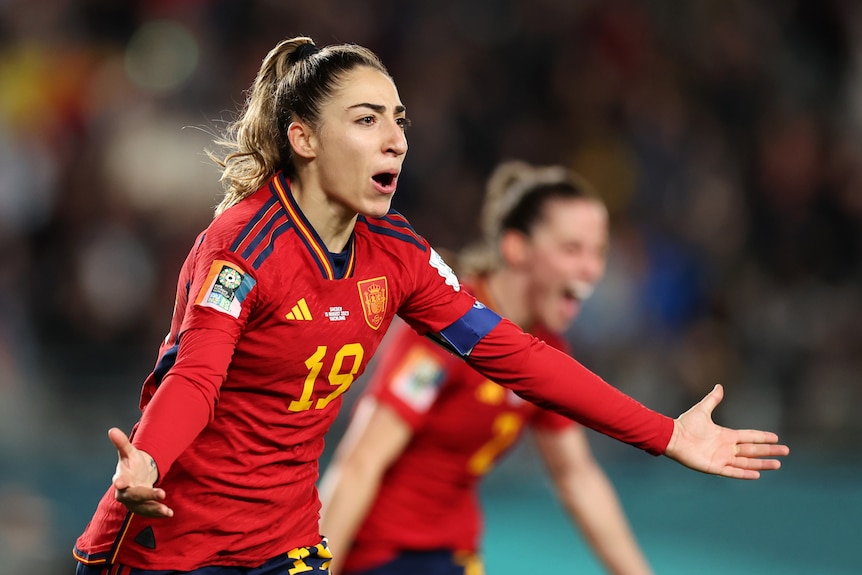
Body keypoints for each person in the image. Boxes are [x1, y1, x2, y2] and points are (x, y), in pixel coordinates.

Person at [72, 36, 788, 575]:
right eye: (366, 119)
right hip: (171, 533)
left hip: (283, 539)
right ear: (304, 139)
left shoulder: (399, 254)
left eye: (400, 120)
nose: (395, 139)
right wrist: (148, 462)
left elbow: (520, 356)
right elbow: (194, 378)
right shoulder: (242, 246)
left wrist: (665, 432)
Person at [318, 160, 654, 575]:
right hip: (380, 557)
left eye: (598, 252)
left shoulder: (546, 348)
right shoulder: (447, 334)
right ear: (516, 249)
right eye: (572, 250)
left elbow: (576, 475)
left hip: (452, 553)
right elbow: (359, 462)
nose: (593, 269)